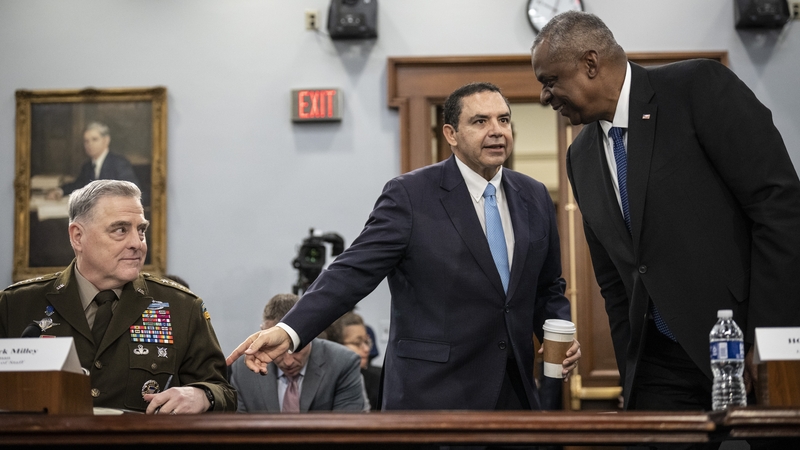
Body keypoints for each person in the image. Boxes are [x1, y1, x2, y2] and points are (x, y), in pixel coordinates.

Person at [228, 82, 581, 411]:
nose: (497, 130)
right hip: (433, 396)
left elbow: (548, 287)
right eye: (480, 121)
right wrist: (289, 331)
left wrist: (559, 330)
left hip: (515, 395)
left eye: (503, 119)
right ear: (451, 135)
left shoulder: (533, 195)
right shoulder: (411, 195)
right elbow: (351, 272)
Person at [531, 10, 800, 417]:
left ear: (590, 63)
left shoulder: (697, 88)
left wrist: (765, 346)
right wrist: (631, 376)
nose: (545, 97)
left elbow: (778, 208)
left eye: (550, 81)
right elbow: (613, 281)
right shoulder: (580, 157)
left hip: (738, 348)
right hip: (657, 370)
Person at [0, 180, 235, 414]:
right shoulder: (15, 305)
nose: (137, 243)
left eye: (141, 230)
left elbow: (224, 392)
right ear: (78, 237)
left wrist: (203, 396)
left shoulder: (181, 307)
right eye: (120, 230)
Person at [229, 293, 365, 412]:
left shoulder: (343, 363)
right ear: (262, 333)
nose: (288, 362)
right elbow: (239, 432)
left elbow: (346, 431)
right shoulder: (244, 370)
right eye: (276, 348)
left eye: (296, 348)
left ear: (311, 332)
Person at [47, 122, 140, 200]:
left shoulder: (119, 164)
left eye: (94, 139)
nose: (89, 144)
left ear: (106, 141)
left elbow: (132, 192)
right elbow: (78, 185)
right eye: (86, 141)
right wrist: (60, 191)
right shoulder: (87, 166)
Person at [325, 311, 382, 411]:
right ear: (336, 345)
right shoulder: (322, 382)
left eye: (366, 342)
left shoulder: (379, 380)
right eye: (357, 343)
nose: (366, 349)